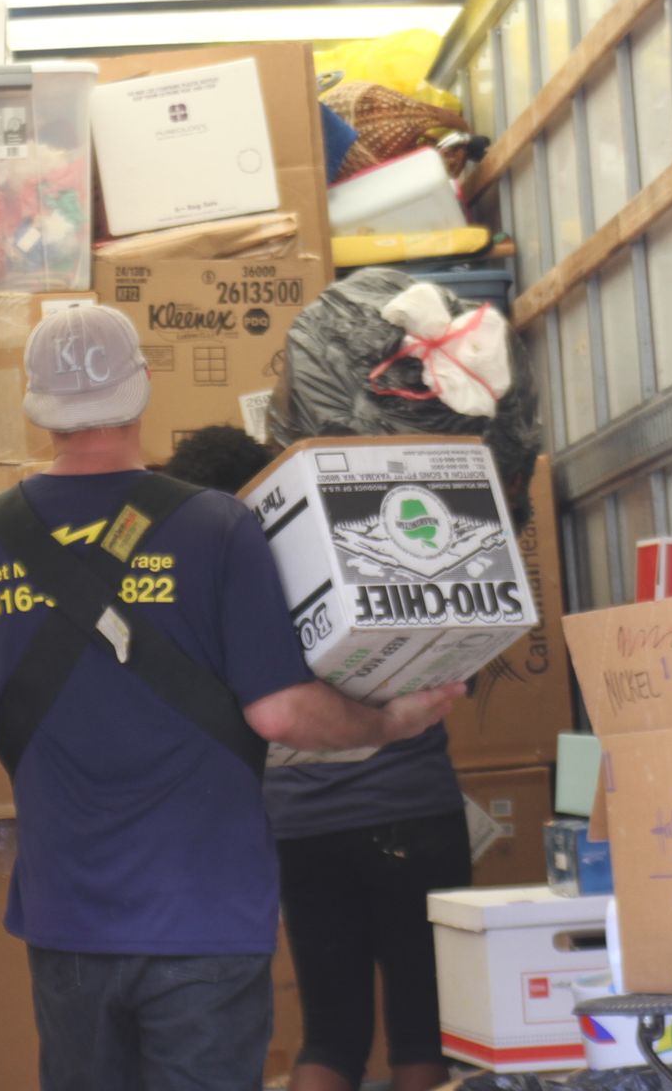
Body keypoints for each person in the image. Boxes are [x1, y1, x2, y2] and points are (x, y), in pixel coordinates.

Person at [0, 306, 465, 1091]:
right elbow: (279, 713)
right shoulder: (216, 527)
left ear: (37, 407)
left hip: (67, 919)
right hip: (204, 918)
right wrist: (386, 721)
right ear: (141, 391)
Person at [165, 424, 471, 1091]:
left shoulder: (199, 587)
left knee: (331, 1034)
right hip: (411, 809)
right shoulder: (348, 550)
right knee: (425, 1028)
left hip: (299, 829)